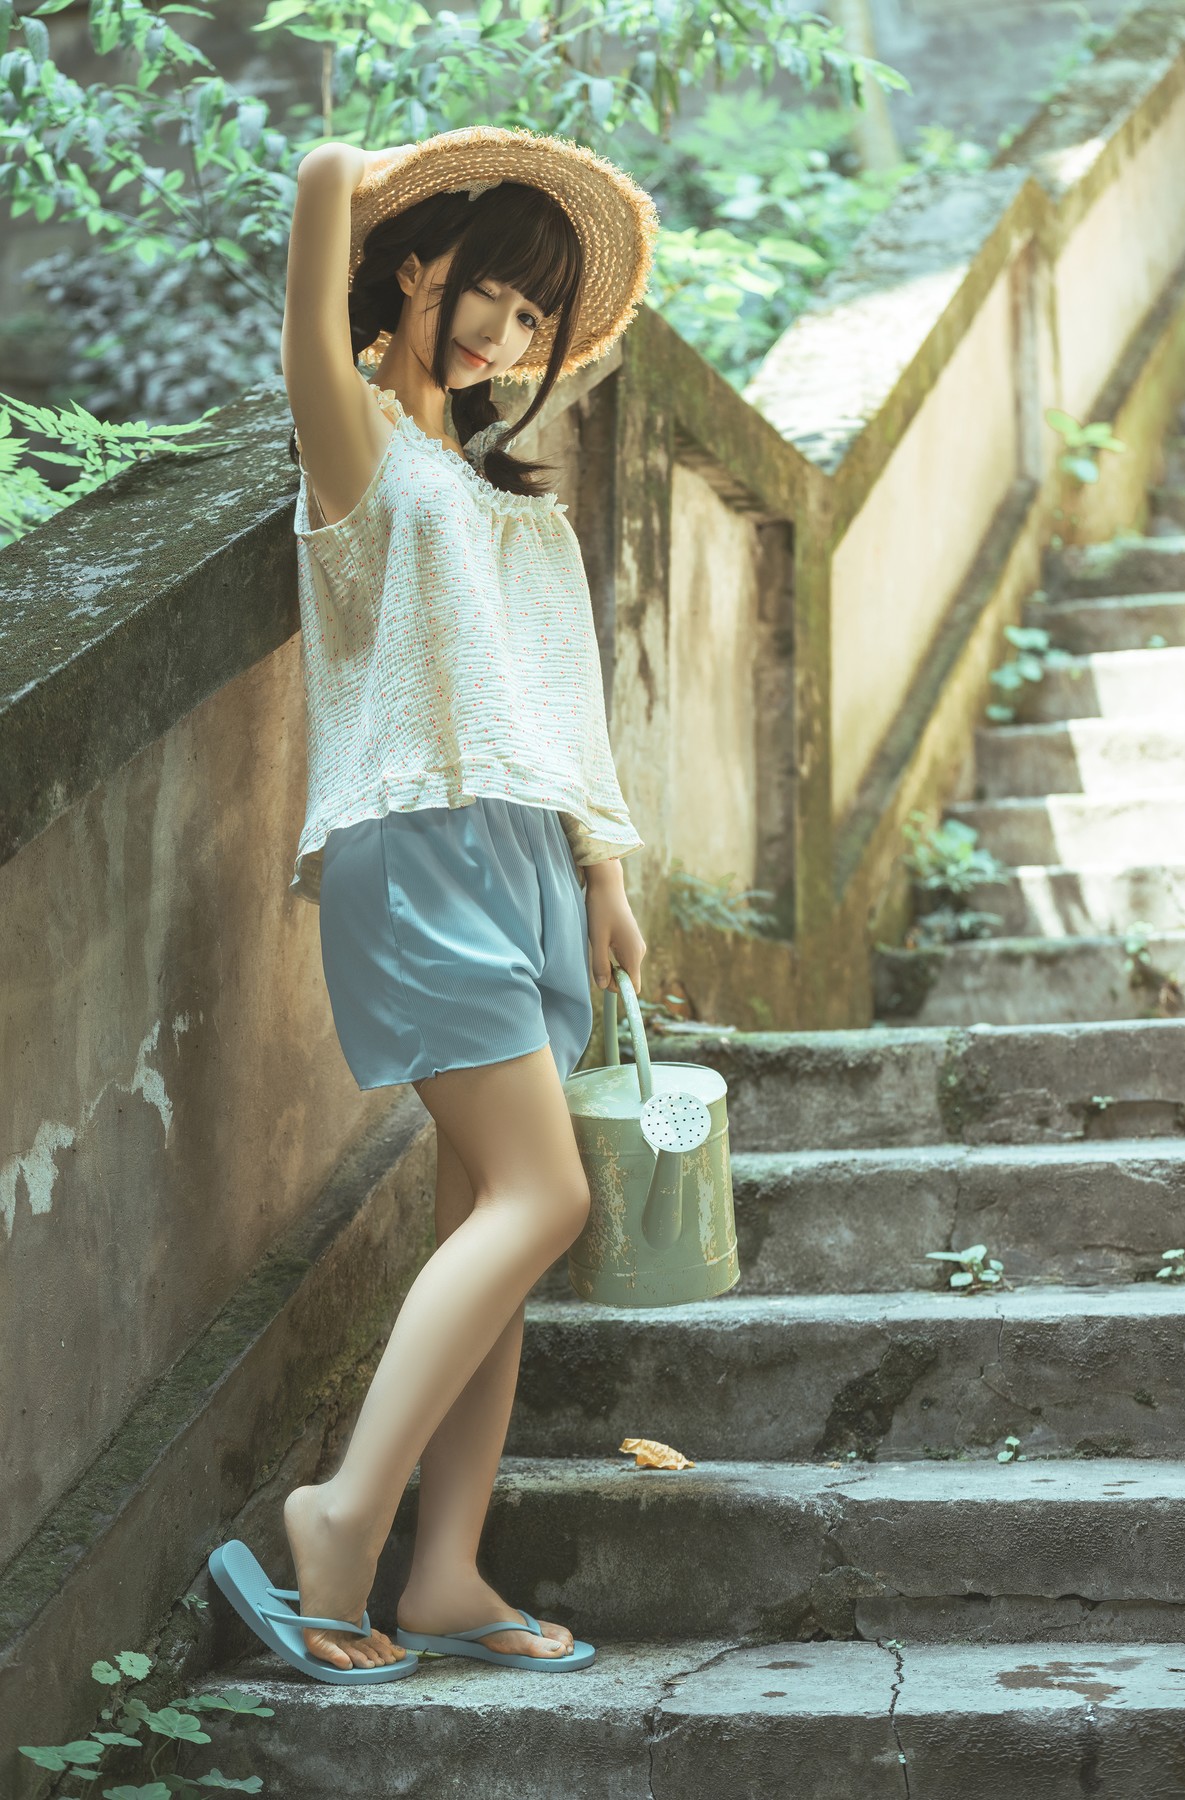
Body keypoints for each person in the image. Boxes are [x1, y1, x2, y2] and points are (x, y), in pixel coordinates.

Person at [208, 126, 659, 1685]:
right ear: (416, 270)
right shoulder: (355, 444)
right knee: (548, 1197)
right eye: (492, 294)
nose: (507, 337)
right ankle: (341, 1518)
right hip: (413, 847)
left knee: (493, 1223)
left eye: (536, 321)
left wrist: (603, 872)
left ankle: (450, 1569)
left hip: (525, 859)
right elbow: (317, 186)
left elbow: (550, 705)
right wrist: (386, 170)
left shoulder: (487, 494)